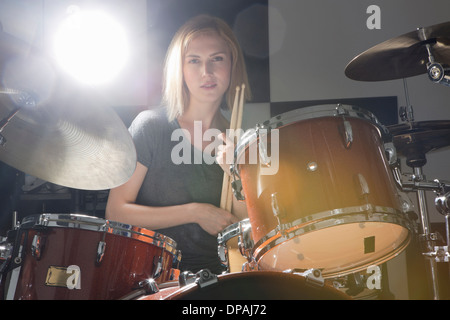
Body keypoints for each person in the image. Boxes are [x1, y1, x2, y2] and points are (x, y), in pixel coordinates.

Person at [106, 14, 251, 275]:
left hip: (221, 280)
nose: (206, 72)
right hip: (153, 277)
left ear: (232, 64)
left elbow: (242, 228)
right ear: (180, 69)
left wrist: (236, 171)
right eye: (194, 61)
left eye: (217, 59)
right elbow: (116, 212)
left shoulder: (240, 141)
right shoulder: (151, 126)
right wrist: (195, 212)